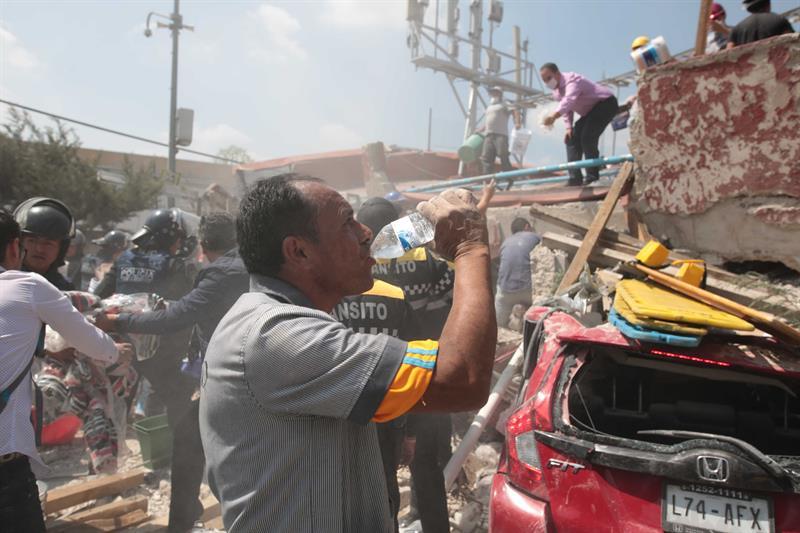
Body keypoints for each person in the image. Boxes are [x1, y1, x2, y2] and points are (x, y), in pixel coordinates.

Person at [200, 174, 496, 532]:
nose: (366, 233)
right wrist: (470, 249)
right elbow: (461, 377)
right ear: (299, 251)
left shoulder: (285, 320)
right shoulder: (275, 335)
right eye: (346, 222)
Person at [95, 212, 248, 530]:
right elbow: (187, 309)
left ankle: (180, 518)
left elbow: (177, 313)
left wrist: (117, 321)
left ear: (204, 243)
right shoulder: (234, 266)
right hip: (176, 358)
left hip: (132, 350)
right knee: (185, 426)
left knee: (180, 435)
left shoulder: (127, 259)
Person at [0, 209, 128, 533]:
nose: (40, 249)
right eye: (32, 241)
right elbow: (95, 344)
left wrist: (46, 349)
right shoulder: (30, 286)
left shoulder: (52, 285)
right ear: (16, 247)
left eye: (49, 242)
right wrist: (115, 352)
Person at [94, 208, 199, 532]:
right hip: (164, 355)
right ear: (170, 237)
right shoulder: (176, 265)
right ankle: (181, 492)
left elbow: (98, 298)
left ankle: (103, 470)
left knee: (110, 410)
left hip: (121, 352)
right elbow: (189, 308)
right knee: (183, 417)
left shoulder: (123, 260)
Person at [357, 197, 454, 533]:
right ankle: (432, 524)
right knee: (426, 462)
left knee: (371, 469)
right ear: (398, 224)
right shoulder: (427, 259)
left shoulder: (360, 262)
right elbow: (448, 307)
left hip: (375, 377)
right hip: (422, 371)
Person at [333, 280, 417, 532]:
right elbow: (414, 366)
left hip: (339, 410)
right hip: (387, 413)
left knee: (340, 491)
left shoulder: (328, 293)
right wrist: (410, 433)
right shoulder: (396, 295)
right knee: (385, 489)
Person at [541, 63, 619, 186]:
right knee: (571, 139)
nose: (547, 82)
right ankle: (575, 179)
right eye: (544, 80)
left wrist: (554, 116)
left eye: (549, 78)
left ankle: (592, 178)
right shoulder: (556, 92)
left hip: (606, 103)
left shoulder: (572, 80)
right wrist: (568, 127)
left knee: (587, 137)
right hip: (590, 112)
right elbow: (567, 109)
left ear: (557, 73)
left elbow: (569, 100)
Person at [13, 197, 77, 290]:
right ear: (18, 243)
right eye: (32, 241)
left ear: (61, 249)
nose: (39, 249)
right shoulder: (4, 281)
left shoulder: (64, 288)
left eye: (48, 244)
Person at [495, 217, 540, 329]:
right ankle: (524, 315)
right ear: (527, 227)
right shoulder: (534, 237)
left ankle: (515, 318)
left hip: (506, 293)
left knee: (499, 325)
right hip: (529, 291)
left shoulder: (505, 243)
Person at [480, 86, 522, 175]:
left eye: (495, 92)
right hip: (489, 135)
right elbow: (488, 120)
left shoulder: (504, 103)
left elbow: (515, 111)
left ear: (500, 93)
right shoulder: (490, 107)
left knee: (503, 155)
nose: (493, 94)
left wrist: (517, 122)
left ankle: (509, 176)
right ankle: (486, 179)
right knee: (486, 157)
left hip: (500, 134)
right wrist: (481, 129)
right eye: (492, 92)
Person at [728, 0, 794, 48]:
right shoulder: (780, 20)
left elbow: (728, 55)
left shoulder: (736, 30)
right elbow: (794, 44)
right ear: (768, 3)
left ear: (748, 9)